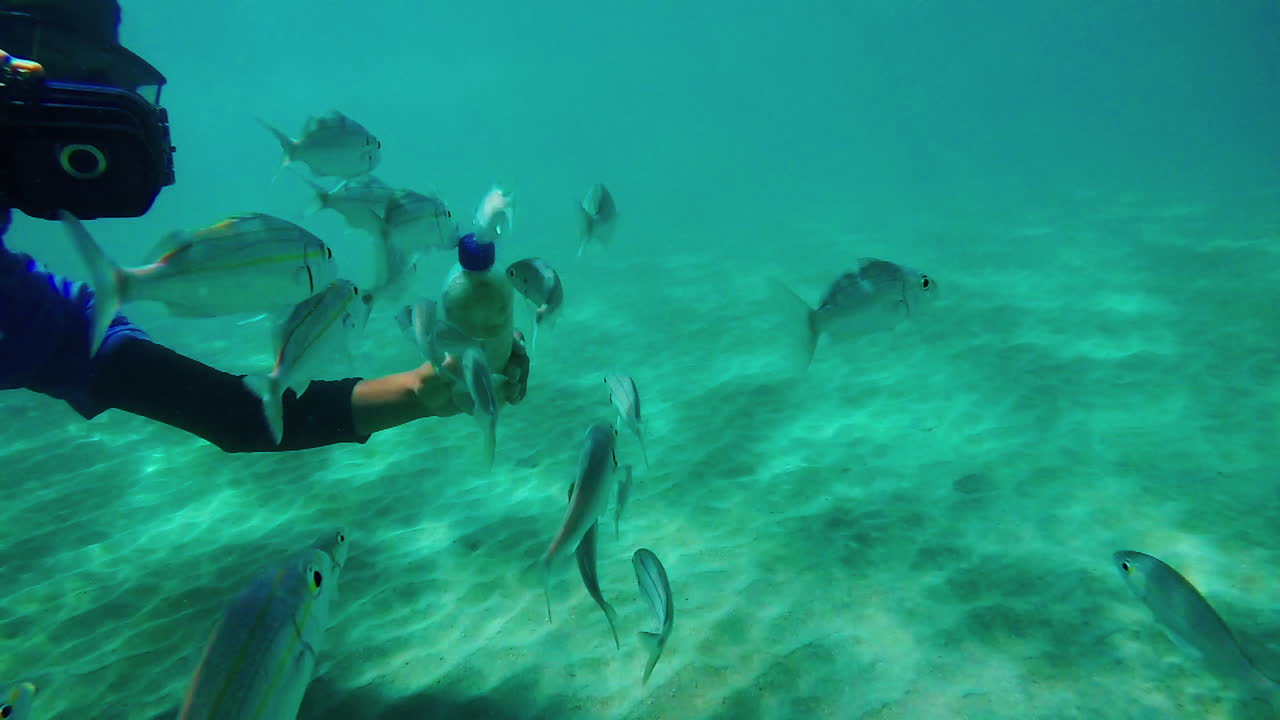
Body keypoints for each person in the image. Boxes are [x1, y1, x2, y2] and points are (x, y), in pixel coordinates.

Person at [0, 0, 529, 453]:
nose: (101, 127)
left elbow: (228, 412)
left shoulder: (24, 309)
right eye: (74, 82)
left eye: (102, 86)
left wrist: (420, 390)